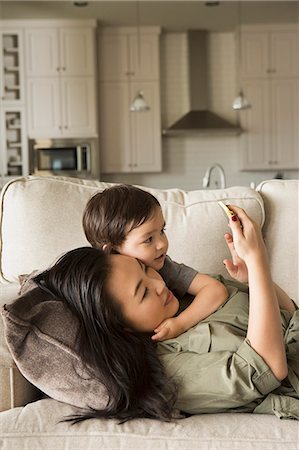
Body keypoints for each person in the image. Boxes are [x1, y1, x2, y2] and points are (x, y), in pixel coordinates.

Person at [34, 206, 299, 423]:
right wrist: (258, 261)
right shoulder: (165, 369)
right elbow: (265, 368)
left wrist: (253, 277)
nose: (160, 284)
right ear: (120, 325)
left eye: (145, 270)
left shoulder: (190, 294)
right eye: (143, 292)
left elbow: (288, 314)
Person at [82, 184, 229, 341]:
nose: (162, 244)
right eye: (148, 239)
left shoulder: (165, 267)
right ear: (111, 250)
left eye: (162, 231)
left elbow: (215, 290)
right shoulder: (96, 289)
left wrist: (180, 323)